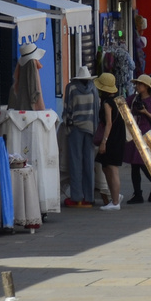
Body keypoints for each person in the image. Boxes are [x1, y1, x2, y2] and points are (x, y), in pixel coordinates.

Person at [62, 66, 99, 208]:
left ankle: (77, 196)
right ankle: (89, 197)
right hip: (90, 128)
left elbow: (67, 107)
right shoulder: (94, 89)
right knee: (89, 163)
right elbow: (96, 110)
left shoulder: (71, 88)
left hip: (75, 128)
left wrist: (67, 124)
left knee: (75, 163)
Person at [124, 75, 151, 204]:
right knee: (134, 164)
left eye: (140, 84)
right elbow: (123, 105)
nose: (137, 86)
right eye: (137, 84)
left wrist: (146, 112)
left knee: (141, 162)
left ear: (147, 86)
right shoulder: (133, 99)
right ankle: (138, 193)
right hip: (134, 133)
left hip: (146, 133)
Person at [92, 73, 127, 210]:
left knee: (112, 169)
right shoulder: (118, 100)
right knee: (106, 167)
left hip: (112, 138)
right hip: (118, 136)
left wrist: (104, 142)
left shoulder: (107, 103)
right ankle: (115, 196)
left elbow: (108, 123)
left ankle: (116, 202)